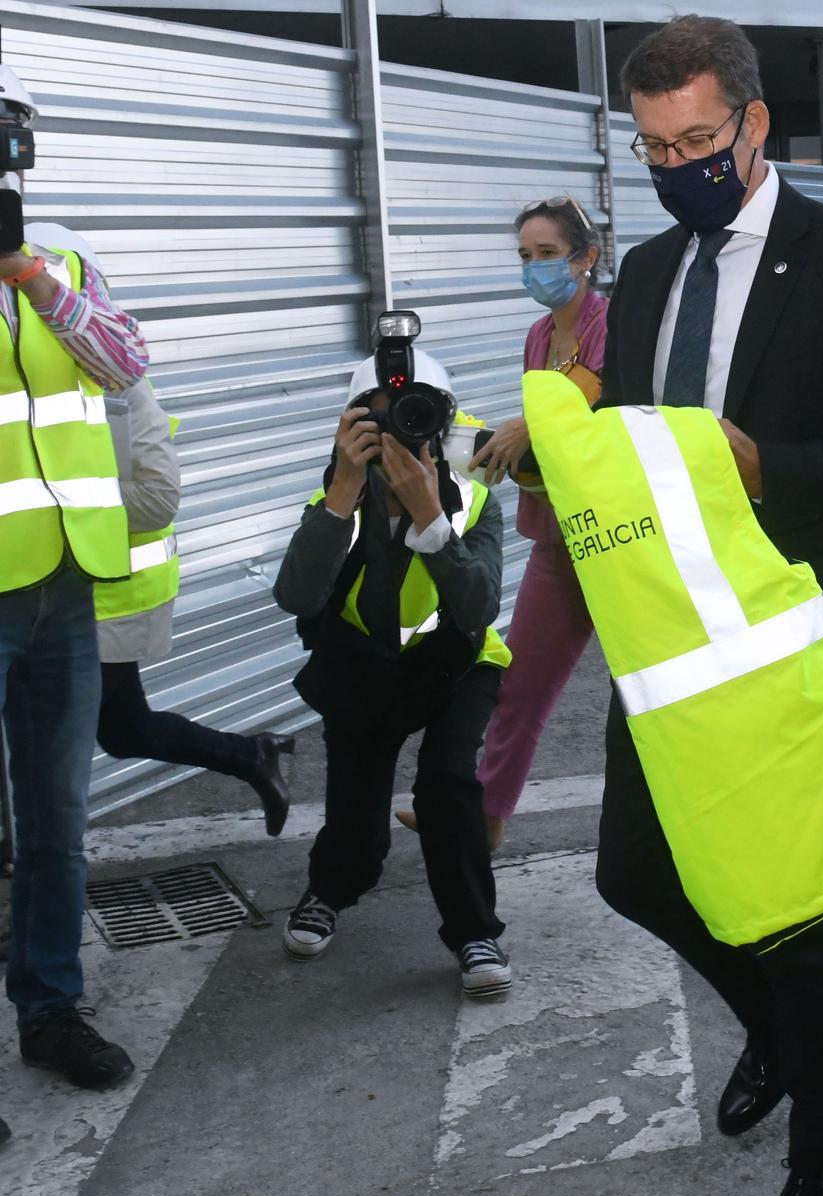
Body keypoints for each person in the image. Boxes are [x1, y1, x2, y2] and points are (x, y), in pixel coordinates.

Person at [584, 14, 823, 1196]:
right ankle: (775, 1037)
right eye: (650, 146)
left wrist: (763, 467)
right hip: (670, 647)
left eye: (695, 140)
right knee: (631, 873)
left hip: (798, 647)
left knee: (805, 925)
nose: (675, 163)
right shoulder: (640, 271)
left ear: (753, 126)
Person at [272, 352, 515, 999]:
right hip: (365, 665)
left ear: (441, 424)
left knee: (447, 785)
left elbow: (478, 607)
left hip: (456, 662)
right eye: (380, 420)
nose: (401, 432)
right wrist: (345, 490)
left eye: (416, 417)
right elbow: (295, 595)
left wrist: (430, 516)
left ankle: (473, 930)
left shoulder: (472, 500)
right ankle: (331, 888)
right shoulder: (337, 493)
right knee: (355, 817)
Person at [1, 63, 150, 1095]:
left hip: (64, 582)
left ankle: (49, 1007)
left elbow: (125, 364)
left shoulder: (61, 267)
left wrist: (34, 280)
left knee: (56, 819)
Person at [394, 195, 606, 849]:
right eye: (525, 257)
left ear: (586, 258)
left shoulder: (613, 325)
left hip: (623, 533)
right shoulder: (539, 337)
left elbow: (599, 410)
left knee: (660, 693)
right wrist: (477, 455)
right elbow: (540, 446)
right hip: (557, 531)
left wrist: (530, 427)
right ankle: (481, 812)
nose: (534, 268)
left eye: (547, 254)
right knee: (519, 682)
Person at [92, 370, 294, 836]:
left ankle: (33, 863)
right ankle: (253, 757)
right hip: (79, 599)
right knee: (125, 730)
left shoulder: (117, 383)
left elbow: (158, 499)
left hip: (110, 601)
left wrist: (55, 501)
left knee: (51, 745)